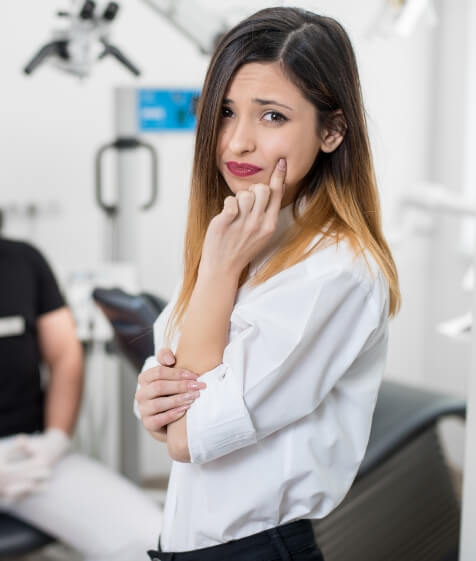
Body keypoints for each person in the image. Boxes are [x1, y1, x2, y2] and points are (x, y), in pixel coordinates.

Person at [135, 6, 400, 561]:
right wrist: (157, 402)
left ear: (331, 130)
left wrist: (217, 272)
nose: (237, 143)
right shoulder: (245, 235)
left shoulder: (336, 271)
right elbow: (166, 391)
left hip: (256, 549)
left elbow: (185, 436)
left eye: (272, 116)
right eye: (225, 113)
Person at [0, 237, 164, 561]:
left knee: (151, 543)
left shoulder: (22, 261)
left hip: (28, 452)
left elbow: (64, 355)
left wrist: (56, 440)